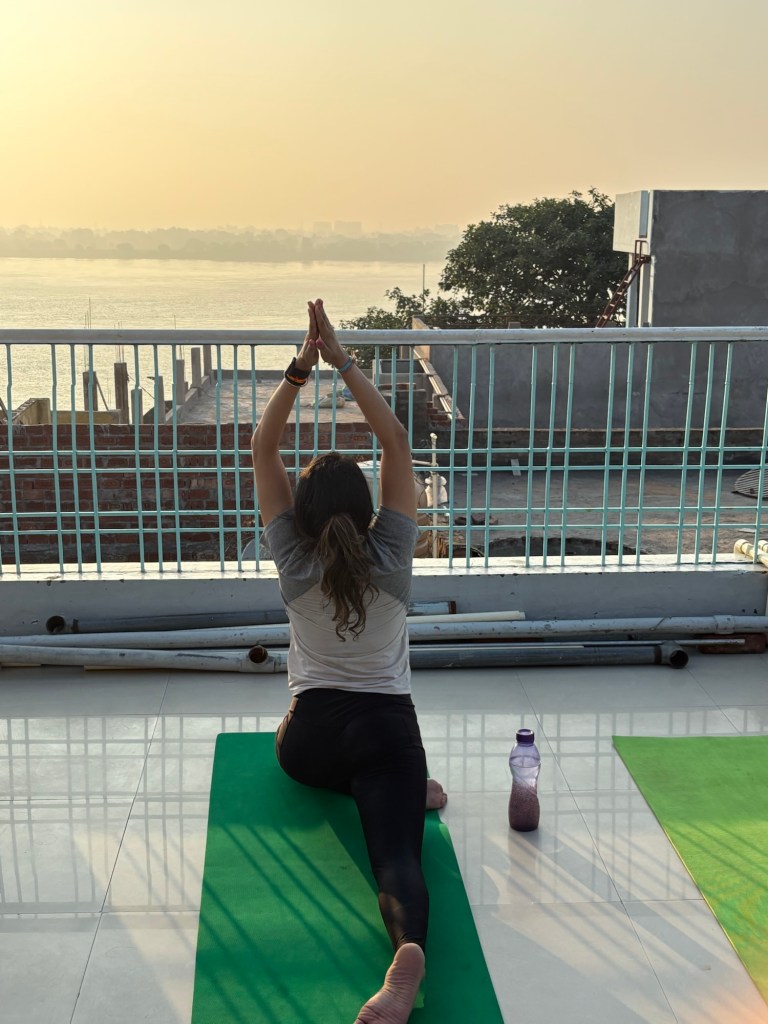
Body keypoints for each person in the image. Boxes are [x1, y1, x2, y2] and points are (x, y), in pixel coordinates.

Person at [251, 298, 447, 1024]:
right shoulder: (393, 549)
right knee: (396, 855)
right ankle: (407, 953)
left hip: (309, 744)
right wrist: (344, 362)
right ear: (367, 508)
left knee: (291, 742)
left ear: (301, 511)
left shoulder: (292, 555)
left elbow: (262, 450)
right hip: (388, 734)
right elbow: (395, 443)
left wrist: (299, 370)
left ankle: (388, 788)